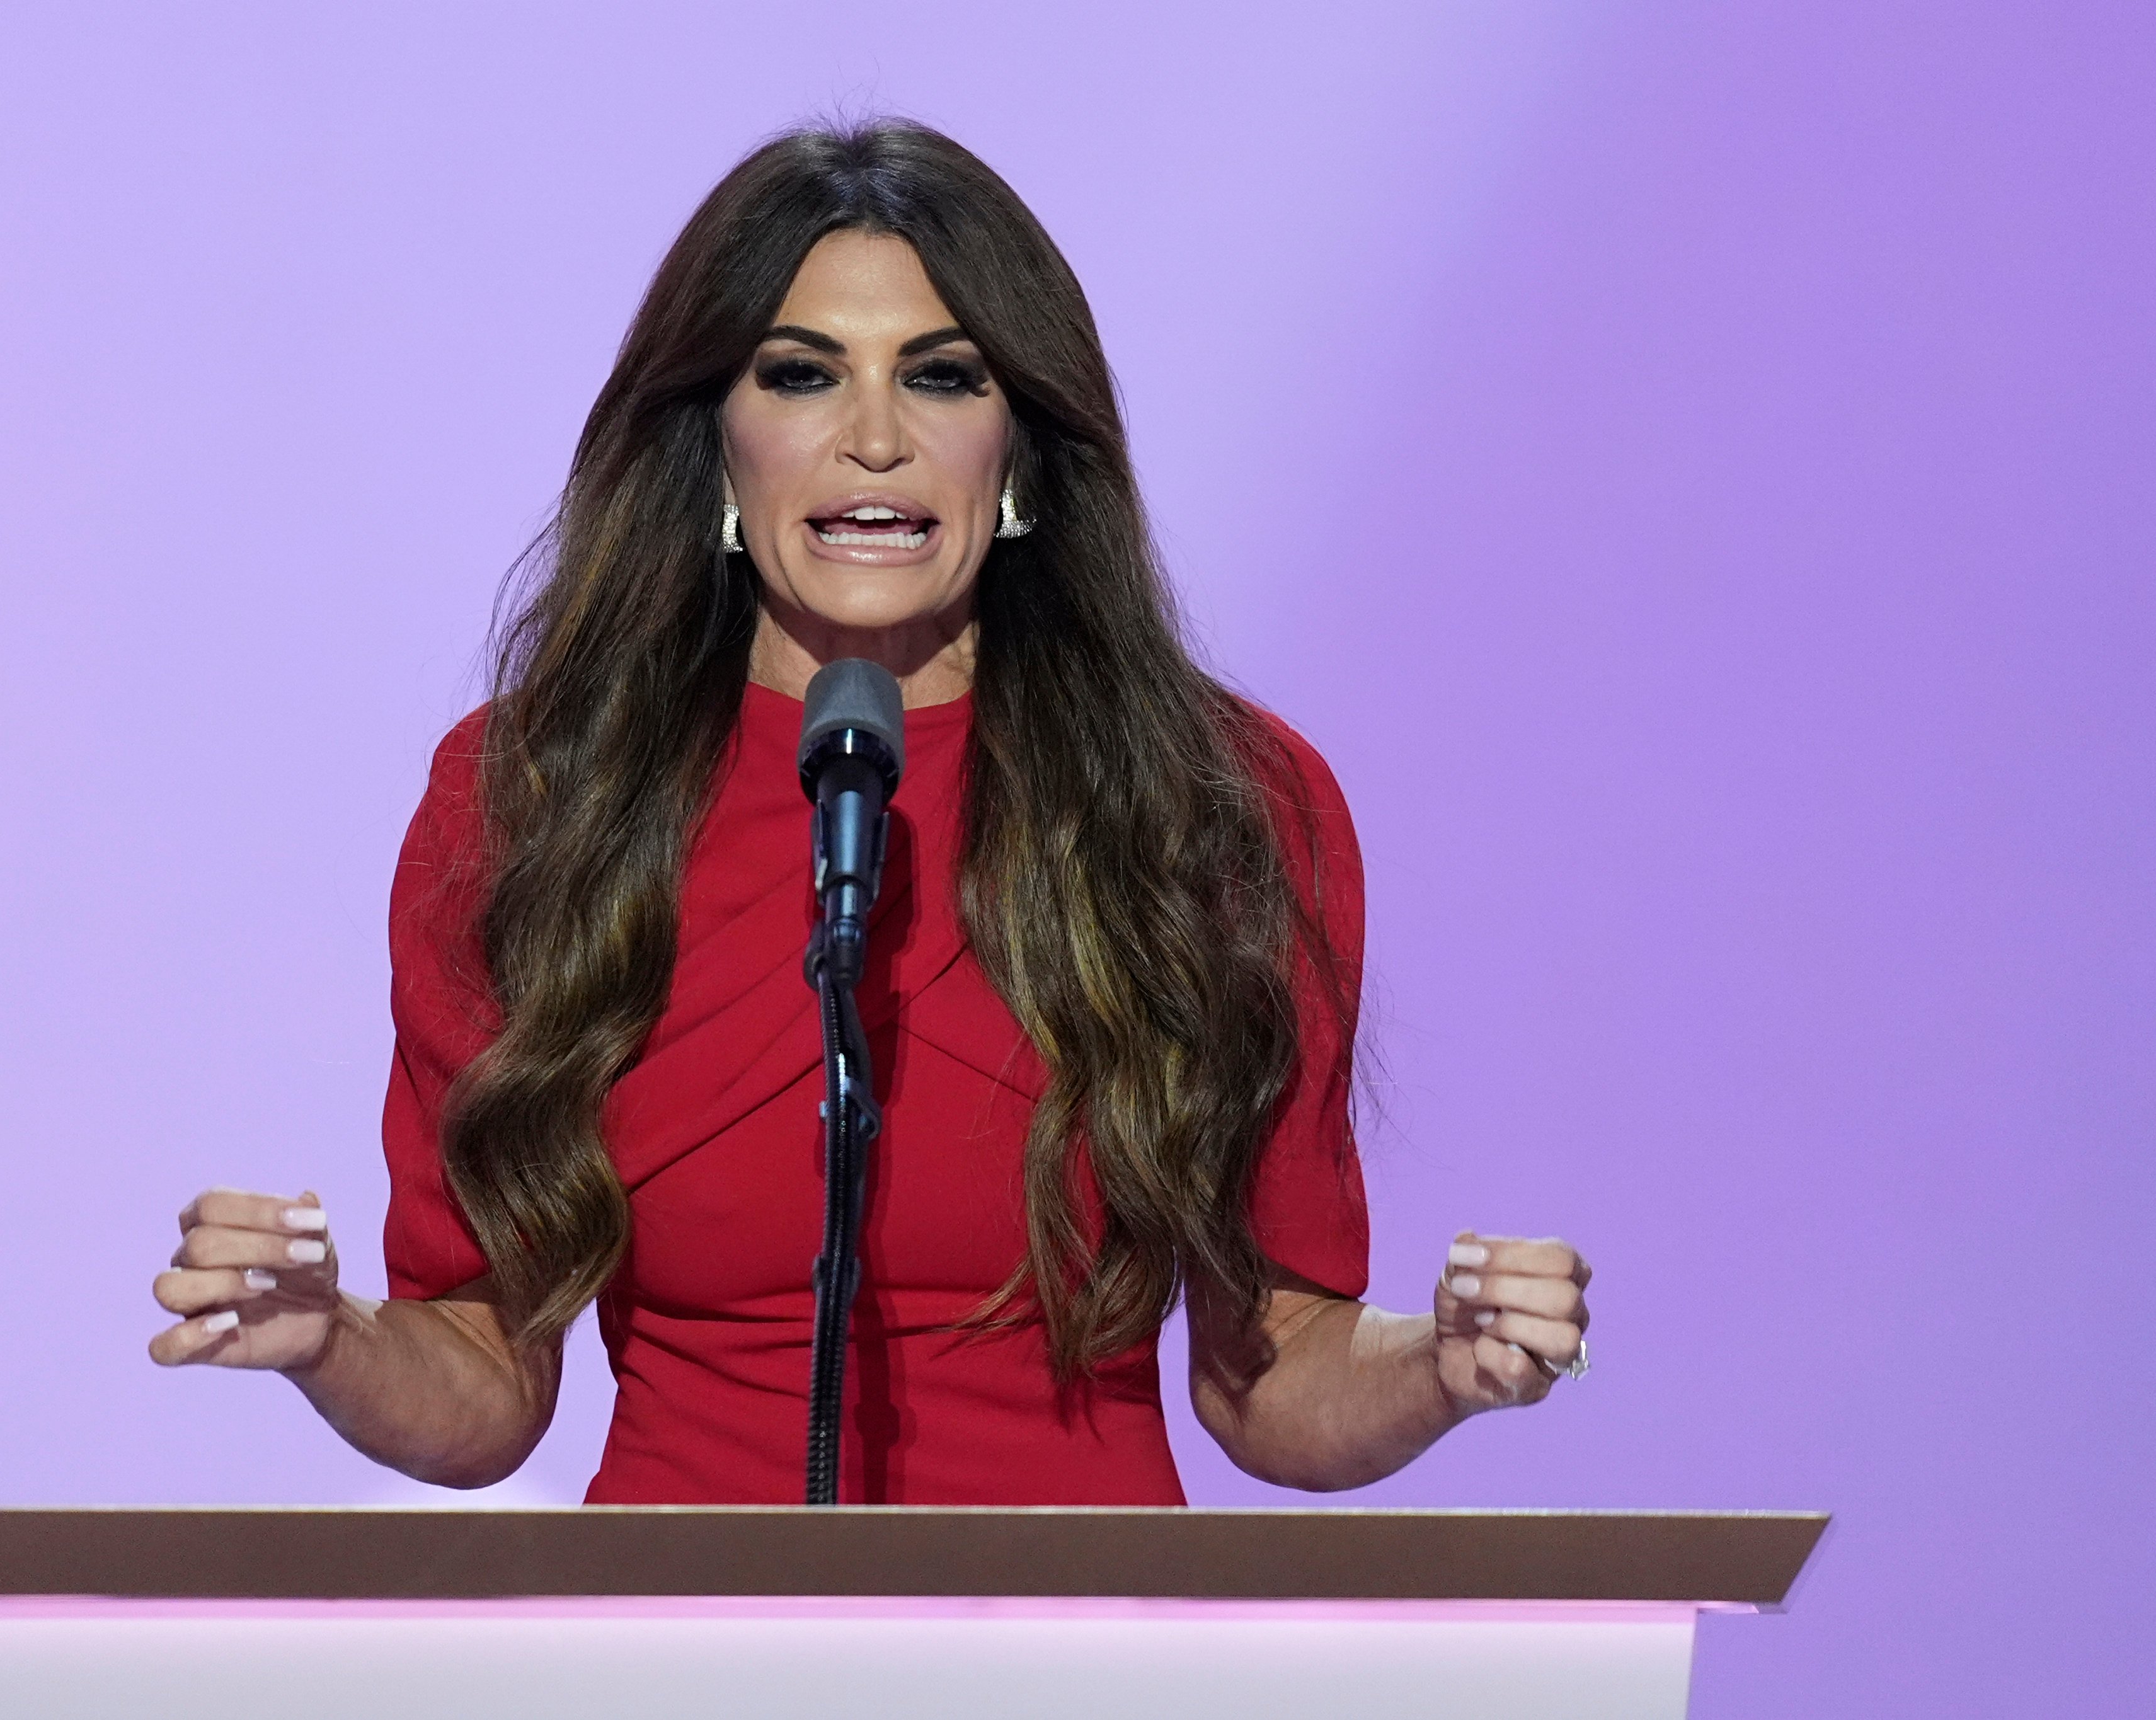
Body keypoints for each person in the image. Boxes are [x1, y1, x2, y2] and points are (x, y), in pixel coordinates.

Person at [145, 121, 1592, 1505]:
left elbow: (1270, 1380)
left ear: (1020, 449)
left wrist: (1440, 1369)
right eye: (801, 375)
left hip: (1086, 1663)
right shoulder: (536, 795)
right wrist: (326, 1338)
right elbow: (483, 1382)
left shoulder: (1215, 804)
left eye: (944, 378)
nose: (875, 442)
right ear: (711, 439)